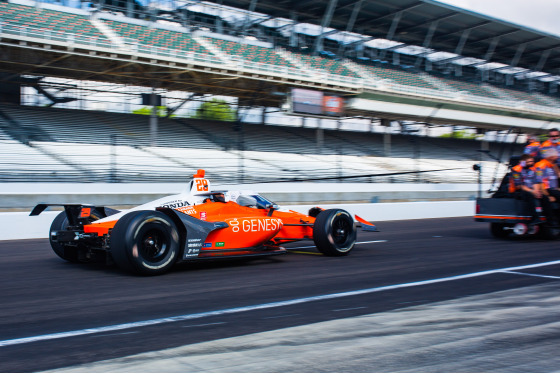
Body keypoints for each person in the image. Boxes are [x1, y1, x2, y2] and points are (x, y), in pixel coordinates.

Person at [510, 154, 547, 225]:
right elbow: (519, 186)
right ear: (523, 162)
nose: (531, 163)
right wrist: (532, 192)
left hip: (531, 190)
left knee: (545, 197)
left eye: (532, 161)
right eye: (529, 162)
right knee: (530, 196)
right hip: (518, 191)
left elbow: (535, 181)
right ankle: (535, 218)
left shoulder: (532, 169)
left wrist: (537, 192)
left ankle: (549, 219)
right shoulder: (516, 169)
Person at [534, 148, 560, 225]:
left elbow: (558, 175)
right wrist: (547, 195)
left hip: (554, 189)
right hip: (546, 189)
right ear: (551, 157)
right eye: (556, 155)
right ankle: (552, 221)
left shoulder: (552, 165)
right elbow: (539, 181)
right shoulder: (541, 165)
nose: (558, 157)